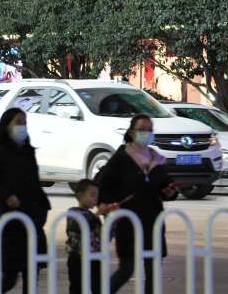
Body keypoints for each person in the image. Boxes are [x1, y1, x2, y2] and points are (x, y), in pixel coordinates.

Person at [97, 114, 178, 294]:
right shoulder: (122, 157)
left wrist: (169, 191)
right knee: (127, 269)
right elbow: (103, 183)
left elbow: (165, 185)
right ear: (132, 132)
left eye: (149, 130)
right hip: (128, 221)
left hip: (153, 221)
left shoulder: (157, 158)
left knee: (153, 271)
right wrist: (107, 204)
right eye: (142, 129)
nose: (146, 133)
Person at [0, 108, 51, 294]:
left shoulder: (28, 151)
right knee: (8, 277)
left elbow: (33, 182)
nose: (22, 127)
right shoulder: (0, 153)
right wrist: (5, 196)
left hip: (32, 221)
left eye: (24, 123)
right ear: (6, 126)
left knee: (32, 277)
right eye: (18, 122)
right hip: (12, 224)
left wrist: (42, 205)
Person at [66, 179, 107, 294]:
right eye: (92, 195)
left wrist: (111, 217)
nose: (95, 199)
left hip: (95, 258)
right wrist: (98, 213)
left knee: (98, 287)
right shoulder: (73, 212)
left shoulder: (93, 216)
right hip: (78, 259)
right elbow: (84, 226)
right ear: (80, 195)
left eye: (97, 196)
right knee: (77, 288)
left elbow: (103, 236)